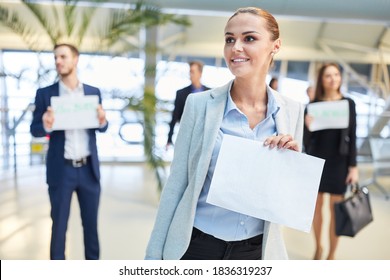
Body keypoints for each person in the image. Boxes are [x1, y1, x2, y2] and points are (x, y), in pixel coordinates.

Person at [145, 7, 304, 260]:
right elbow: (177, 185)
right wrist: (154, 257)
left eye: (249, 38)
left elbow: (286, 199)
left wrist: (291, 163)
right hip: (197, 246)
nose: (235, 47)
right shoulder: (198, 106)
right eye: (230, 39)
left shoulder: (292, 111)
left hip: (256, 251)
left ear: (275, 46)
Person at [30, 43, 108, 260]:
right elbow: (34, 129)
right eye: (55, 58)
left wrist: (102, 121)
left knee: (91, 227)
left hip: (88, 171)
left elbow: (102, 126)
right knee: (59, 227)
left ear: (76, 59)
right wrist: (46, 125)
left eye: (63, 57)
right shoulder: (45, 94)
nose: (58, 61)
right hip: (61, 170)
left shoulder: (93, 93)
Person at [303, 63, 358, 260]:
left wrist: (353, 166)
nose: (333, 79)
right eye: (328, 76)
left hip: (339, 163)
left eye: (336, 74)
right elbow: (306, 141)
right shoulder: (312, 105)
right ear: (322, 80)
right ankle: (318, 247)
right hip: (317, 161)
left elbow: (352, 136)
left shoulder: (348, 104)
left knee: (336, 211)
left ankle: (332, 254)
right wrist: (307, 127)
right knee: (316, 209)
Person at [166, 61, 210, 147]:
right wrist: (169, 138)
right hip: (187, 137)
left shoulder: (210, 93)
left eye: (193, 72)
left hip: (205, 137)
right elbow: (175, 116)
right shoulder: (181, 93)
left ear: (200, 73)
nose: (190, 74)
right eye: (190, 72)